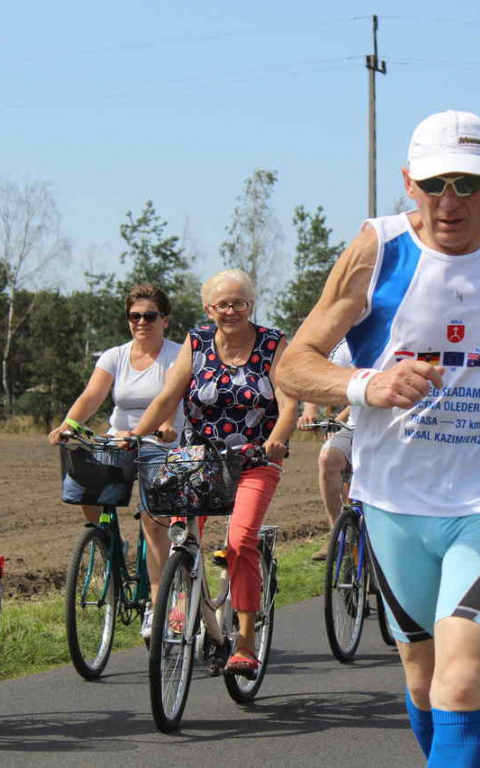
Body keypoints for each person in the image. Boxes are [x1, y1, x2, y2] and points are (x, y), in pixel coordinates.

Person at [275, 110, 480, 766]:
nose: (450, 201)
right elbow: (294, 363)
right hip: (394, 497)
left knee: (463, 677)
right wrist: (368, 384)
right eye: (433, 184)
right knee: (423, 679)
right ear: (408, 182)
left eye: (468, 183)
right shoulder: (377, 250)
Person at [130, 268, 297, 676]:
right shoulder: (197, 342)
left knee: (239, 542)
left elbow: (289, 402)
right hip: (199, 458)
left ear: (250, 305)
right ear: (209, 309)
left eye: (239, 303)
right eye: (222, 304)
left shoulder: (273, 343)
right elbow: (168, 396)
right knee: (179, 534)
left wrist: (277, 439)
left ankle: (245, 643)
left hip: (254, 458)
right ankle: (187, 610)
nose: (231, 310)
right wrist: (135, 435)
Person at [47, 284, 183, 639]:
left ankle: (156, 604)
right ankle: (108, 541)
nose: (141, 322)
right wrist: (68, 424)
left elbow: (171, 399)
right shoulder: (115, 356)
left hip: (160, 442)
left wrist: (165, 427)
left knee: (154, 521)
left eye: (149, 316)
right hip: (118, 439)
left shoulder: (176, 355)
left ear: (165, 320)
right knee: (84, 485)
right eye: (134, 316)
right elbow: (92, 396)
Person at [297, 341, 356, 561]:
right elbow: (318, 379)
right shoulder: (345, 347)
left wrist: (338, 418)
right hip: (357, 427)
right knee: (328, 458)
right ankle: (339, 535)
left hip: (393, 431)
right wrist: (309, 410)